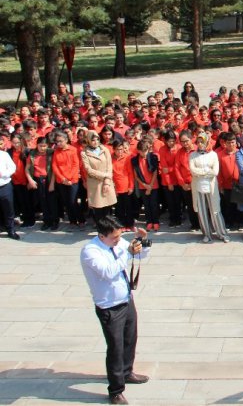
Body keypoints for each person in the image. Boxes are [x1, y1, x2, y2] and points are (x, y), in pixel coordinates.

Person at [80, 216, 150, 405]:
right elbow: (108, 272)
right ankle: (116, 390)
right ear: (102, 236)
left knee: (130, 340)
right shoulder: (90, 251)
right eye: (115, 238)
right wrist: (127, 253)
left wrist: (143, 242)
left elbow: (139, 255)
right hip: (109, 306)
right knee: (115, 348)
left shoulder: (118, 244)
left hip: (126, 300)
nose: (119, 240)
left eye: (120, 236)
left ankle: (127, 372)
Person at [189, 132, 229, 243]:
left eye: (202, 141)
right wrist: (206, 171)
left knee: (215, 210)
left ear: (207, 141)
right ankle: (207, 234)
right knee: (202, 211)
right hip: (198, 186)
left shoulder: (213, 154)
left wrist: (201, 172)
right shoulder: (192, 155)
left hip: (211, 187)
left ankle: (222, 233)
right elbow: (193, 171)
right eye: (198, 141)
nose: (200, 144)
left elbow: (215, 171)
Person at [81, 131, 117, 222]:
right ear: (88, 140)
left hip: (107, 182)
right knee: (98, 208)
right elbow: (88, 169)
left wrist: (107, 181)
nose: (96, 142)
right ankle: (100, 230)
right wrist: (104, 175)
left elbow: (109, 166)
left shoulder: (104, 149)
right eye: (93, 140)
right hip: (95, 183)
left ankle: (108, 229)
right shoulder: (84, 153)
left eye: (97, 139)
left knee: (108, 207)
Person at [0, 146, 19, 239]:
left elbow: (12, 168)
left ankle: (11, 230)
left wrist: (3, 174)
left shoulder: (4, 155)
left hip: (4, 185)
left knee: (8, 209)